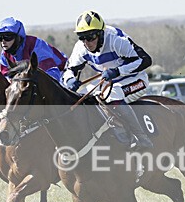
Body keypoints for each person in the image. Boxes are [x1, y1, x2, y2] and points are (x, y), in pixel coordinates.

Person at [61, 10, 154, 149]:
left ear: (100, 33)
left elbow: (146, 60)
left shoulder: (117, 40)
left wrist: (118, 71)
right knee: (83, 96)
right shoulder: (81, 47)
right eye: (82, 37)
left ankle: (141, 137)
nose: (87, 42)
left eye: (90, 37)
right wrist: (69, 80)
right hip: (109, 82)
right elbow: (69, 70)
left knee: (112, 94)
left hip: (136, 80)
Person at [0, 17, 67, 81]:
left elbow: (53, 75)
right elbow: (6, 78)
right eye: (0, 37)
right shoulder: (4, 55)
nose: (3, 41)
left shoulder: (35, 46)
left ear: (18, 37)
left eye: (7, 37)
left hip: (62, 73)